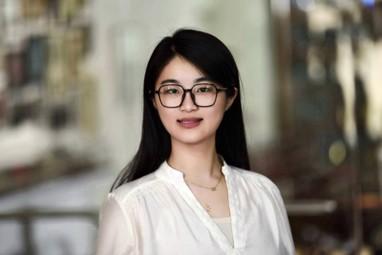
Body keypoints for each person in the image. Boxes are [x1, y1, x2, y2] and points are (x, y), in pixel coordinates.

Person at [96, 28, 295, 255]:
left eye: (203, 89)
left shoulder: (263, 194)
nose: (188, 105)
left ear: (230, 97)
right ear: (154, 100)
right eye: (172, 90)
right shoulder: (130, 207)